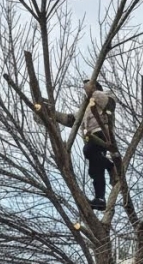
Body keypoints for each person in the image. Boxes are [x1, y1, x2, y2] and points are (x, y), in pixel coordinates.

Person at [49, 80, 117, 211]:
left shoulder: (106, 95)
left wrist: (94, 93)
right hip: (90, 137)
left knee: (88, 151)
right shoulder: (85, 107)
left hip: (103, 133)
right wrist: (53, 114)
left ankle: (110, 165)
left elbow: (109, 105)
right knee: (95, 170)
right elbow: (71, 120)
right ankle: (100, 199)